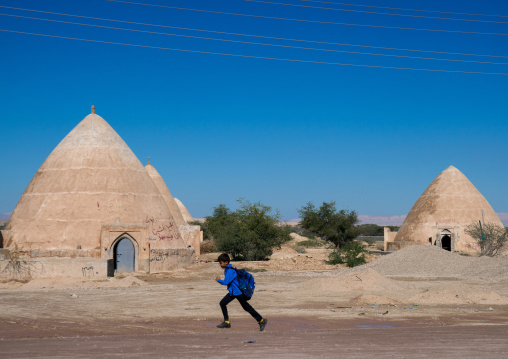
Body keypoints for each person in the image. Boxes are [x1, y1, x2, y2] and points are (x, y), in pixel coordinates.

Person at [215, 253, 267, 331]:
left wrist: (218, 280)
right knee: (222, 303)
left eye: (221, 263)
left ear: (226, 262)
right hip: (233, 292)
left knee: (247, 307)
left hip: (238, 293)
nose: (220, 264)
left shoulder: (230, 271)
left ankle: (261, 320)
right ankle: (226, 322)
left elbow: (225, 282)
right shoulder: (227, 270)